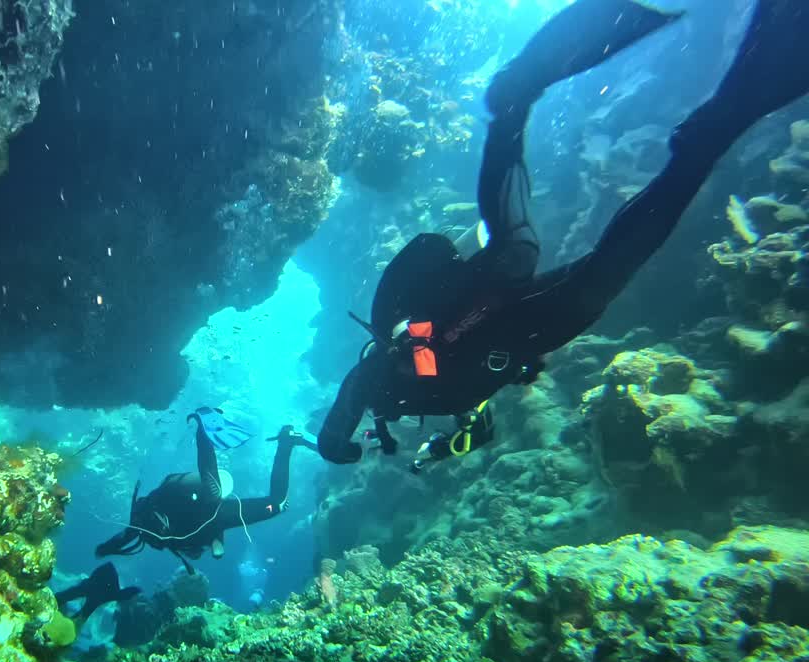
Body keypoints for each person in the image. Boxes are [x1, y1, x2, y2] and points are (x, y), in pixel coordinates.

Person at [319, 0, 809, 472]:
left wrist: (334, 441)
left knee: (543, 257)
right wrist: (464, 425)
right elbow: (470, 409)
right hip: (516, 331)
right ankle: (689, 135)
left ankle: (530, 107)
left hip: (495, 315)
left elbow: (356, 388)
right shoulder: (416, 397)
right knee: (552, 257)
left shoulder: (385, 379)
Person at [96, 408, 316, 573]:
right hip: (203, 506)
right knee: (273, 503)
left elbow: (125, 536)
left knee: (219, 494)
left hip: (193, 498)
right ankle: (286, 441)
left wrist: (105, 548)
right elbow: (125, 537)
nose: (194, 554)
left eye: (194, 553)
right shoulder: (194, 536)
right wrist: (105, 548)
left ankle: (204, 425)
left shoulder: (157, 530)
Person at [54, 562, 141, 627]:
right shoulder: (112, 591)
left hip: (92, 588)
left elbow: (108, 566)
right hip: (92, 588)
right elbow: (108, 567)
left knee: (78, 612)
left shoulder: (112, 592)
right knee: (78, 612)